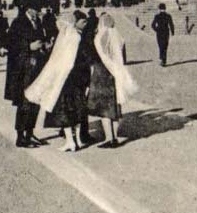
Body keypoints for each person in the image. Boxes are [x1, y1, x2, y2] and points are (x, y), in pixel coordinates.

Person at [25, 10, 92, 152]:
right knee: (77, 109)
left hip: (66, 78)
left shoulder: (69, 36)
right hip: (75, 77)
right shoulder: (75, 35)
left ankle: (70, 142)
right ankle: (78, 140)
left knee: (65, 110)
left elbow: (63, 60)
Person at [88, 13, 137, 146]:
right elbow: (122, 58)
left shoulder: (99, 36)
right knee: (115, 107)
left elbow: (96, 56)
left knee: (104, 109)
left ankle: (109, 138)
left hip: (102, 73)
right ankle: (114, 137)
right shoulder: (118, 36)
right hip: (116, 73)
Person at [4, 6, 47, 147]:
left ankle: (30, 133)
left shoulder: (38, 22)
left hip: (36, 68)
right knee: (24, 103)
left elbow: (41, 38)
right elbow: (10, 43)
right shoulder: (18, 22)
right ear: (29, 9)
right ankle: (20, 137)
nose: (38, 12)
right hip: (22, 71)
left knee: (35, 101)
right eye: (36, 9)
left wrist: (44, 45)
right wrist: (28, 46)